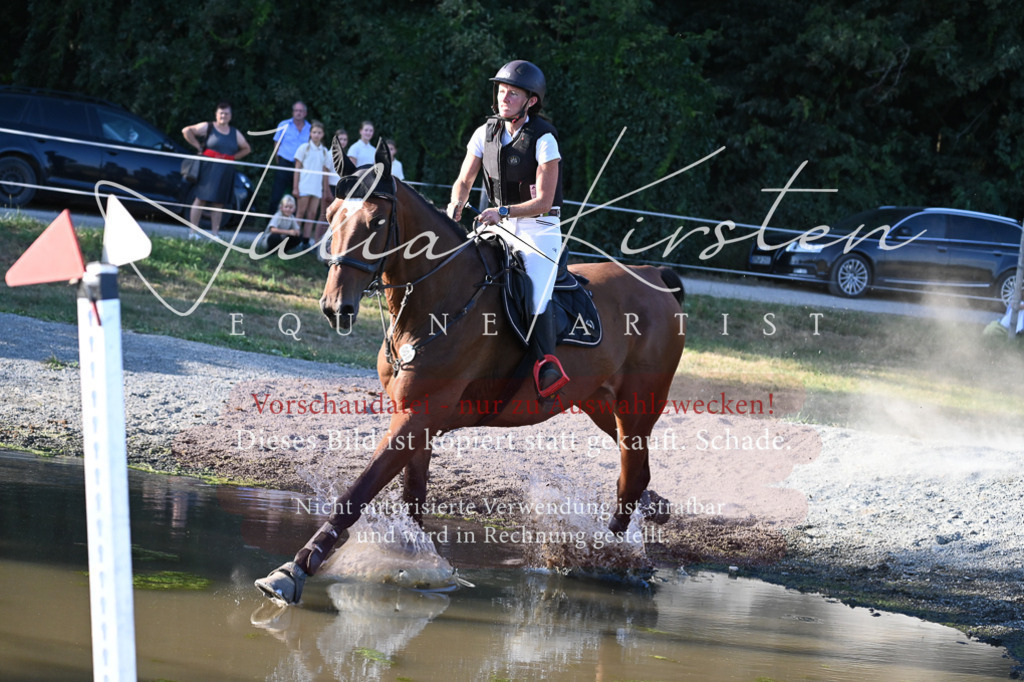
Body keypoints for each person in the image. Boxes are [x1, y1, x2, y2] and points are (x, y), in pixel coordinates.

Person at [447, 60, 569, 399]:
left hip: (538, 227)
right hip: (496, 222)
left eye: (513, 93)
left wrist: (502, 211)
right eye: (501, 91)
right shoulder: (483, 133)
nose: (504, 98)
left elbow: (543, 201)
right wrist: (456, 202)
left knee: (536, 292)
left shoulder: (544, 138)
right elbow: (464, 180)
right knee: (457, 266)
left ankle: (547, 366)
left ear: (531, 100)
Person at [182, 102, 251, 236]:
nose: (223, 116)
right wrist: (198, 147)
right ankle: (192, 233)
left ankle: (215, 235)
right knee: (200, 199)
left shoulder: (235, 133)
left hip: (225, 170)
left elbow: (247, 148)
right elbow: (186, 131)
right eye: (221, 113)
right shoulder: (207, 126)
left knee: (219, 202)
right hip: (208, 168)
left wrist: (232, 157)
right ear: (216, 114)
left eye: (226, 113)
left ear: (231, 116)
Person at [292, 120, 331, 248]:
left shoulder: (324, 151)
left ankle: (305, 241)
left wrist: (325, 190)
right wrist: (295, 187)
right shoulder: (304, 148)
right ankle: (294, 240)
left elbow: (325, 173)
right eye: (314, 132)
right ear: (310, 133)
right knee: (300, 213)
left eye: (319, 132)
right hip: (304, 186)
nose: (316, 135)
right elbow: (297, 169)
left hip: (316, 188)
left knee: (312, 214)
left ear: (323, 134)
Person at [267, 101, 310, 213]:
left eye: (301, 111)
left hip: (301, 166)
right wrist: (278, 161)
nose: (298, 113)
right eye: (296, 110)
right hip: (284, 163)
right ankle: (270, 221)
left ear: (305, 113)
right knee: (277, 194)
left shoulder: (310, 128)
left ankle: (293, 222)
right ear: (293, 112)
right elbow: (277, 144)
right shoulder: (284, 125)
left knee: (297, 195)